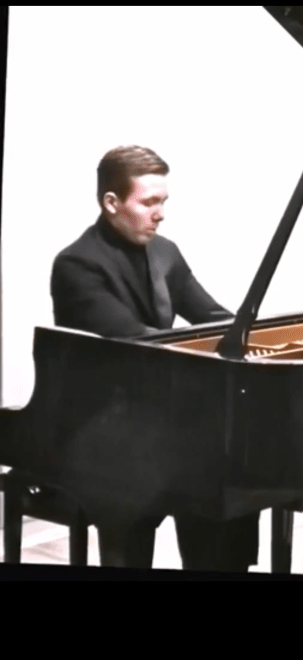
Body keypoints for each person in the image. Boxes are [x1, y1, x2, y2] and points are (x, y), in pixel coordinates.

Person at [48, 144, 260, 572]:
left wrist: (255, 335)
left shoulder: (165, 252)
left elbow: (212, 317)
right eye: (149, 203)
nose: (160, 214)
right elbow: (135, 341)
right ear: (112, 202)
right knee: (192, 469)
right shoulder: (76, 265)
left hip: (159, 414)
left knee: (228, 472)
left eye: (163, 201)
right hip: (104, 426)